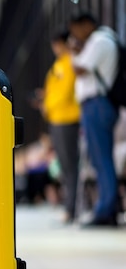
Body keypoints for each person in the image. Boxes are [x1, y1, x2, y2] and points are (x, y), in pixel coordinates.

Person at [69, 13, 120, 227]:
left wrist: (74, 51)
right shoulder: (104, 39)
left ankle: (106, 210)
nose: (75, 35)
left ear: (86, 24)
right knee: (102, 159)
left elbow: (79, 68)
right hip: (98, 105)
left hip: (97, 105)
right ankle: (107, 207)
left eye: (76, 30)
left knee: (102, 160)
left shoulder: (99, 40)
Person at [36, 31, 80, 223]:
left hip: (67, 118)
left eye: (58, 44)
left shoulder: (69, 63)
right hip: (57, 118)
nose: (55, 48)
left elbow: (64, 93)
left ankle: (72, 207)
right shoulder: (58, 64)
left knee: (70, 165)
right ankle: (70, 205)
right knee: (65, 165)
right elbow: (54, 92)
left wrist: (48, 104)